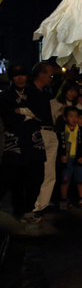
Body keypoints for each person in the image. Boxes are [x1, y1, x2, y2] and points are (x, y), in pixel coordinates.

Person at [0, 64, 46, 223]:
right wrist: (28, 114)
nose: (20, 78)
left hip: (34, 140)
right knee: (11, 178)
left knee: (37, 176)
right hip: (15, 141)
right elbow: (8, 117)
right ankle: (19, 210)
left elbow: (42, 113)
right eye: (16, 75)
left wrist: (21, 111)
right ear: (11, 78)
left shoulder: (35, 93)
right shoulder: (6, 96)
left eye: (22, 74)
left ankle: (28, 209)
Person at [26, 62, 59, 215]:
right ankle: (33, 204)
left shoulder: (45, 93)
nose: (51, 78)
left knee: (49, 172)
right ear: (41, 74)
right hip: (38, 132)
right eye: (50, 75)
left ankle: (42, 204)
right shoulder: (29, 92)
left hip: (49, 131)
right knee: (37, 171)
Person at [57, 106, 82, 210]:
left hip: (78, 161)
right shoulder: (61, 131)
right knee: (65, 181)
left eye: (76, 116)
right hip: (66, 160)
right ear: (65, 118)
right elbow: (57, 146)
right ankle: (63, 200)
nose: (74, 119)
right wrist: (60, 156)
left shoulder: (81, 132)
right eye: (71, 116)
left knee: (80, 180)